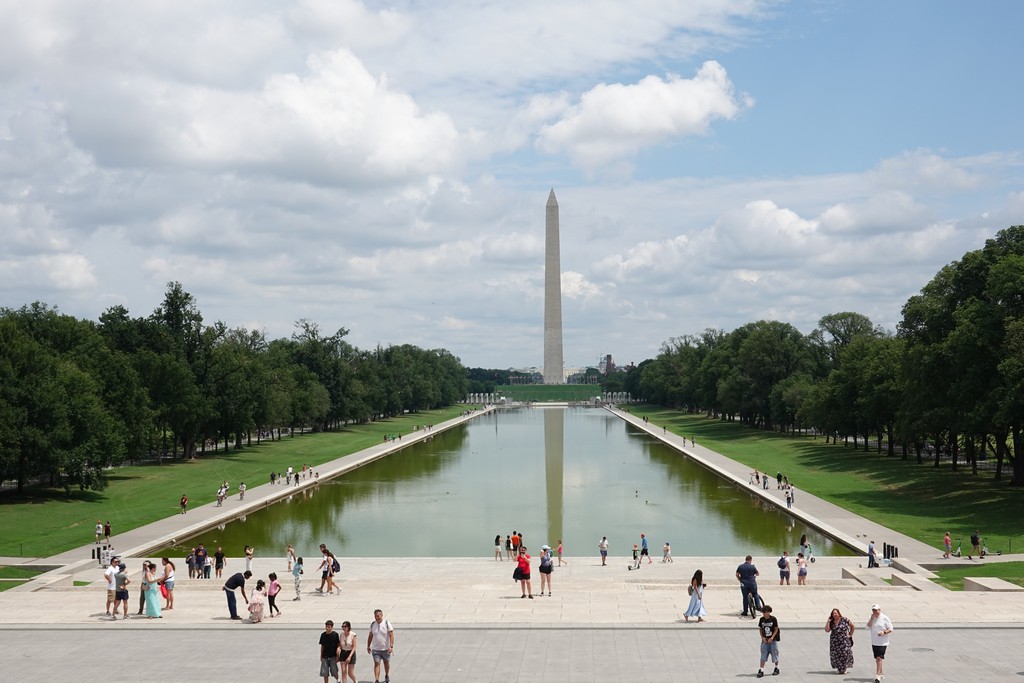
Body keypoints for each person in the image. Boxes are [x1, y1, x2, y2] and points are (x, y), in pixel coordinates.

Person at [867, 604, 893, 683]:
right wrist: (871, 619)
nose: (875, 612)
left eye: (876, 610)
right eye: (874, 611)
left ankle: (877, 676)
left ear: (879, 610)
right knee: (878, 659)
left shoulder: (885, 618)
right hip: (874, 642)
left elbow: (891, 628)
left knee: (879, 658)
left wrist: (884, 632)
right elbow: (867, 627)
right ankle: (881, 673)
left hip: (883, 642)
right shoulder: (872, 618)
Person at [367, 608, 395, 683]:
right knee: (377, 663)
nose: (376, 617)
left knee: (386, 663)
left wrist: (391, 646)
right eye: (375, 616)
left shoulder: (386, 623)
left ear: (382, 615)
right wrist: (368, 646)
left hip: (385, 649)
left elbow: (391, 635)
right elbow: (370, 636)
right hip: (376, 649)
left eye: (378, 616)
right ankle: (376, 679)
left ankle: (386, 675)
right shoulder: (373, 624)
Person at [825, 607, 855, 675]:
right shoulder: (832, 621)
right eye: (833, 613)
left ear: (839, 613)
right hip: (835, 641)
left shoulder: (845, 619)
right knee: (836, 654)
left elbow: (852, 626)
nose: (834, 614)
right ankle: (840, 668)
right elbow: (827, 630)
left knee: (845, 653)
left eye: (835, 613)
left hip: (844, 640)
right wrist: (828, 621)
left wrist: (850, 634)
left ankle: (844, 667)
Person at [756, 604, 780, 677]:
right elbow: (760, 628)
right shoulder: (761, 619)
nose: (764, 614)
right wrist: (762, 637)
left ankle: (776, 668)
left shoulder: (773, 619)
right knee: (763, 655)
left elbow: (776, 629)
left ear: (769, 612)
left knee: (775, 654)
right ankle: (761, 669)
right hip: (765, 640)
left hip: (772, 640)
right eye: (763, 612)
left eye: (765, 612)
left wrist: (772, 637)